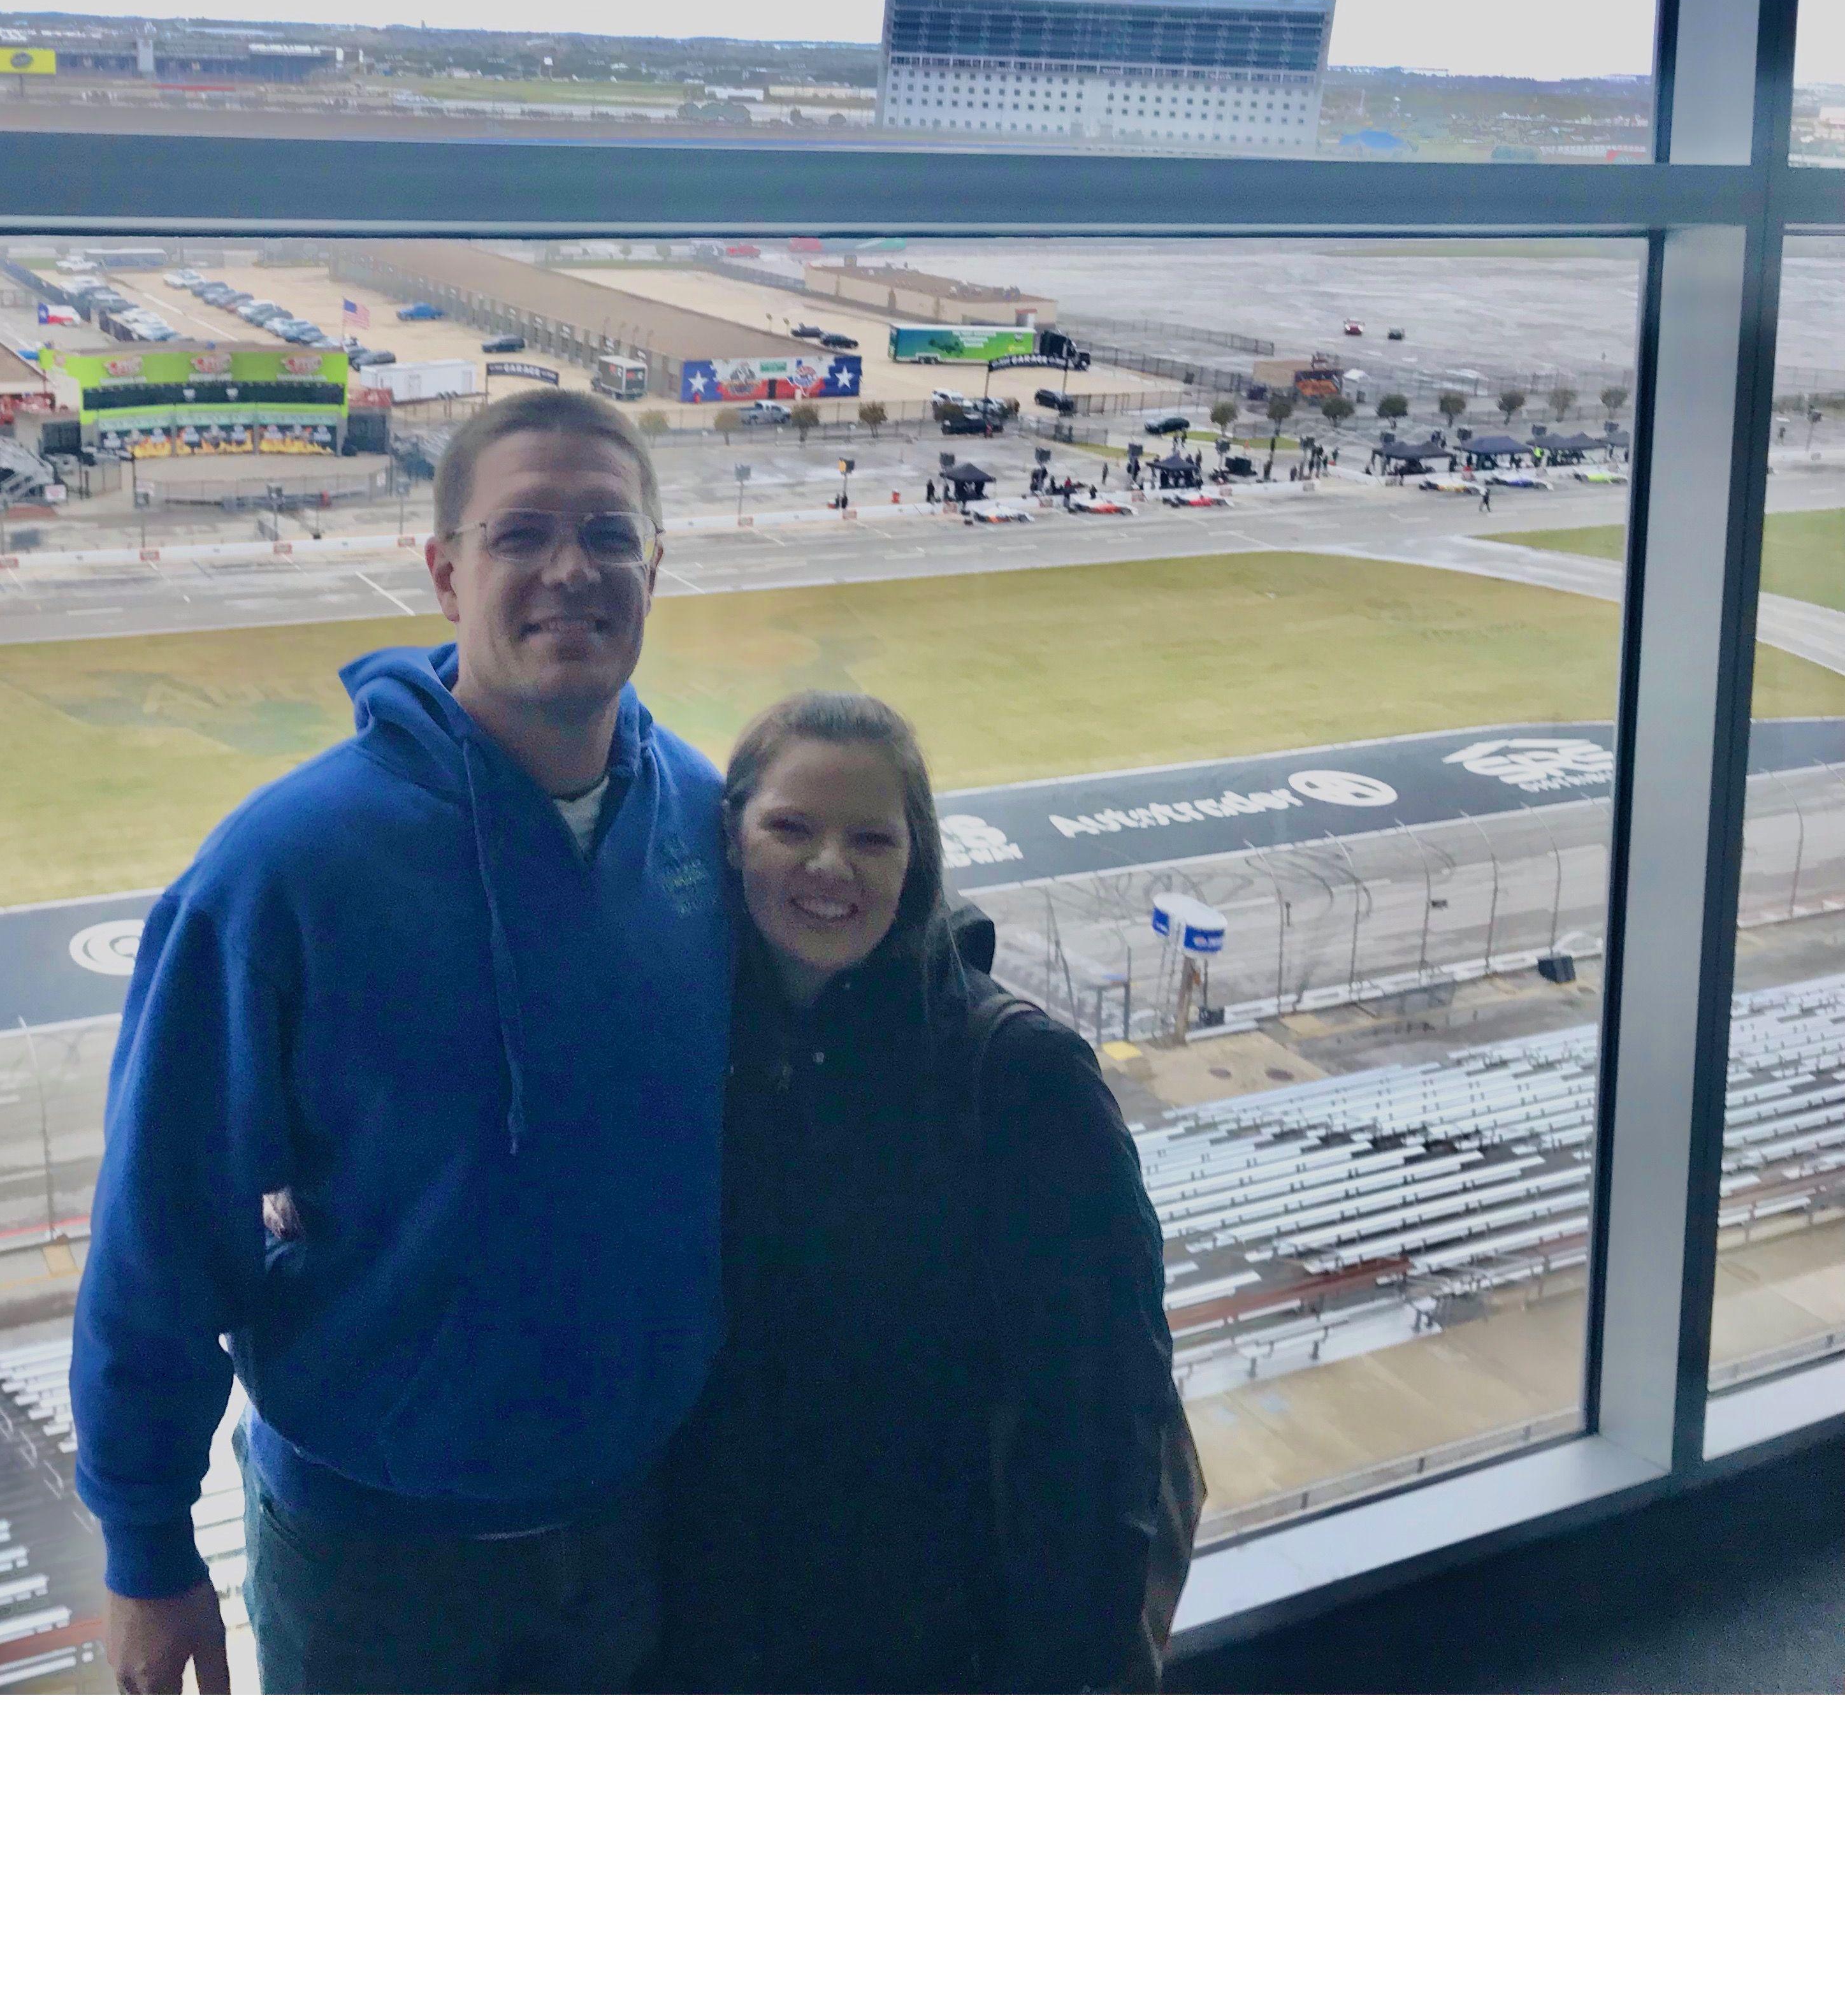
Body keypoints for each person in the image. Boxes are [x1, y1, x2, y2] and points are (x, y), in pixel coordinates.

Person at [71, 387, 731, 1693]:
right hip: (376, 1561)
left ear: (654, 567)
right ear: (442, 573)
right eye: (520, 534)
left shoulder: (713, 825)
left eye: (608, 535)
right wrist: (147, 1548)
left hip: (648, 1517)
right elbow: (161, 1224)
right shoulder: (285, 871)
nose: (569, 571)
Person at [653, 692, 1196, 1693]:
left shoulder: (1023, 1078)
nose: (829, 868)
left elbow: (1104, 1417)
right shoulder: (689, 1050)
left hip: (938, 1643)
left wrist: (1070, 1673)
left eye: (871, 838)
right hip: (712, 1627)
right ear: (731, 841)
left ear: (918, 861)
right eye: (791, 828)